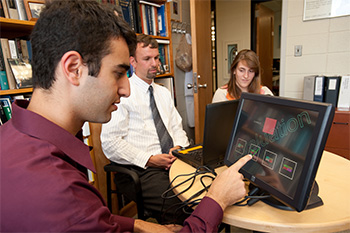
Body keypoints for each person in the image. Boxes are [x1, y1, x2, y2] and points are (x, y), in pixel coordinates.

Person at [0, 1, 251, 232]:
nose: (127, 88)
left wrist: (136, 224)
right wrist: (217, 199)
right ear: (74, 69)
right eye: (118, 73)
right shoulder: (62, 196)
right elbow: (78, 213)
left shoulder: (12, 137)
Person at [100, 34, 190, 224]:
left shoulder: (163, 92)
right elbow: (110, 143)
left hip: (172, 161)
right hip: (139, 169)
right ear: (132, 61)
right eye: (147, 59)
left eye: (156, 58)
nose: (154, 63)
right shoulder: (123, 94)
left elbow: (177, 127)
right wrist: (149, 159)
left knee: (201, 191)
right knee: (180, 207)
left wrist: (178, 147)